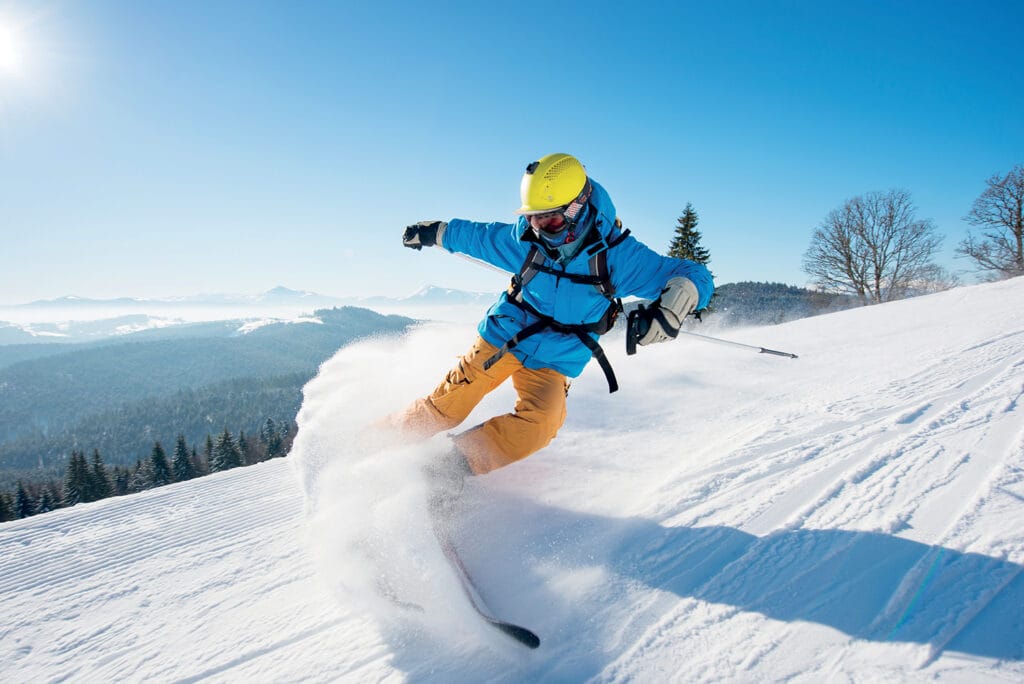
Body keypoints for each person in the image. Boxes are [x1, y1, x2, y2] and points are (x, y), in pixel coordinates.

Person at [393, 153, 714, 506]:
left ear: (578, 207)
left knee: (541, 424)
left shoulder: (617, 258)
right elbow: (475, 237)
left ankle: (446, 469)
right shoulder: (526, 242)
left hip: (558, 357)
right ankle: (376, 447)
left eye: (552, 221)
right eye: (533, 219)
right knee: (447, 407)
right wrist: (432, 232)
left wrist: (672, 306)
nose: (541, 230)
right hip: (505, 335)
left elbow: (694, 275)